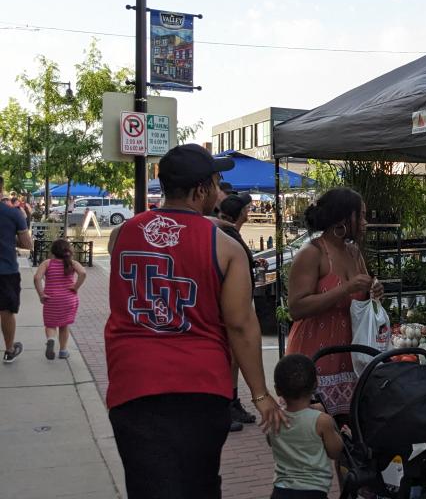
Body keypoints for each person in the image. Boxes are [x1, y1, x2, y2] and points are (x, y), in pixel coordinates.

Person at [105, 144, 286, 498]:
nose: (220, 192)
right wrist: (260, 394)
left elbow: (164, 235)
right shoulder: (227, 248)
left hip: (133, 383)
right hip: (200, 386)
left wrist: (195, 222)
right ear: (201, 191)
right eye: (217, 183)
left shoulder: (120, 235)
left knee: (147, 486)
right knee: (199, 484)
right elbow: (240, 326)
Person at [286, 187, 384, 420]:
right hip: (316, 356)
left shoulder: (353, 252)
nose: (365, 222)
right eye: (359, 215)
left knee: (347, 434)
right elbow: (296, 307)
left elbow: (359, 297)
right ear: (342, 219)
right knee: (314, 432)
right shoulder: (312, 252)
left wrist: (374, 291)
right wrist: (346, 289)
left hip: (350, 357)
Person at [268, 354, 345, 499]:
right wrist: (342, 435)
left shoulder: (274, 419)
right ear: (315, 385)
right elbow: (335, 452)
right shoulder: (322, 421)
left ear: (278, 390)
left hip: (281, 490)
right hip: (313, 491)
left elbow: (270, 441)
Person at [218, 192, 260, 430]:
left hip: (235, 302)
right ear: (242, 212)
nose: (250, 210)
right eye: (247, 207)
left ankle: (231, 402)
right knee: (231, 357)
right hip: (231, 305)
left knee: (233, 358)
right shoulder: (227, 234)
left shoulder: (229, 233)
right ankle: (226, 405)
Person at [33, 238, 86, 360]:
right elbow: (83, 273)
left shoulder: (47, 263)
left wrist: (41, 294)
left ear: (53, 251)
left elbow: (37, 278)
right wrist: (76, 287)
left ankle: (51, 340)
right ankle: (63, 351)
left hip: (51, 299)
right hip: (68, 299)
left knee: (51, 325)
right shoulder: (72, 263)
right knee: (64, 325)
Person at [1, 176, 33, 363]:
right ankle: (9, 349)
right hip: (6, 270)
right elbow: (27, 244)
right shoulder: (13, 214)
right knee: (6, 310)